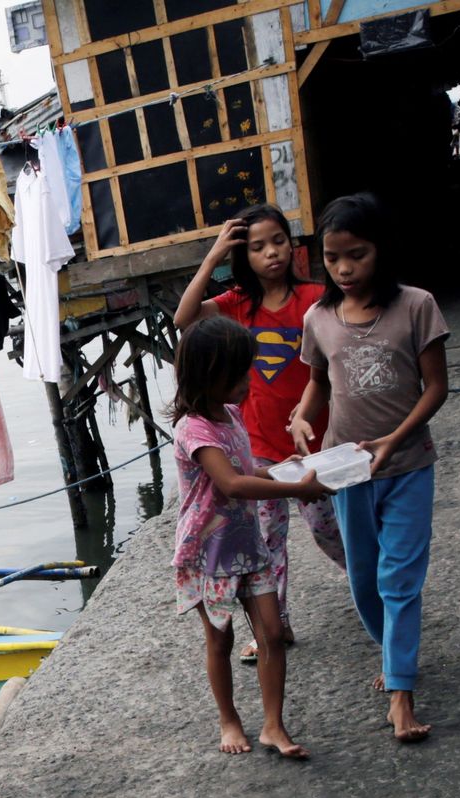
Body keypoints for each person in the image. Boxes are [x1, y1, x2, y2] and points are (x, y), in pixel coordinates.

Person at [289, 193, 450, 744]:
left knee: (399, 578)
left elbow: (436, 388)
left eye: (355, 254)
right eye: (332, 258)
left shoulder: (417, 306)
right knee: (364, 579)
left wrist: (393, 439)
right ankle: (393, 651)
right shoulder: (319, 317)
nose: (344, 269)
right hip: (346, 470)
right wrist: (301, 421)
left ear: (380, 249)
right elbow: (315, 383)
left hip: (407, 464)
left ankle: (401, 693)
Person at [174, 204, 348, 662]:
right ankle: (278, 624)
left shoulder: (314, 297)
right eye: (256, 247)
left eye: (278, 241)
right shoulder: (236, 305)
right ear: (242, 256)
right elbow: (184, 319)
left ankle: (377, 591)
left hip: (312, 447)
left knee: (330, 533)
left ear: (292, 245)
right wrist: (211, 259)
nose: (271, 253)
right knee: (269, 544)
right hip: (260, 457)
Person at [170, 317, 330, 758]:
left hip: (249, 546)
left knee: (272, 634)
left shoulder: (234, 415)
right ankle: (229, 719)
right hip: (209, 554)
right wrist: (298, 490)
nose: (248, 382)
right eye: (239, 374)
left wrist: (286, 473)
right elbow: (232, 485)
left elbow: (248, 474)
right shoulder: (194, 430)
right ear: (209, 375)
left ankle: (273, 726)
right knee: (219, 640)